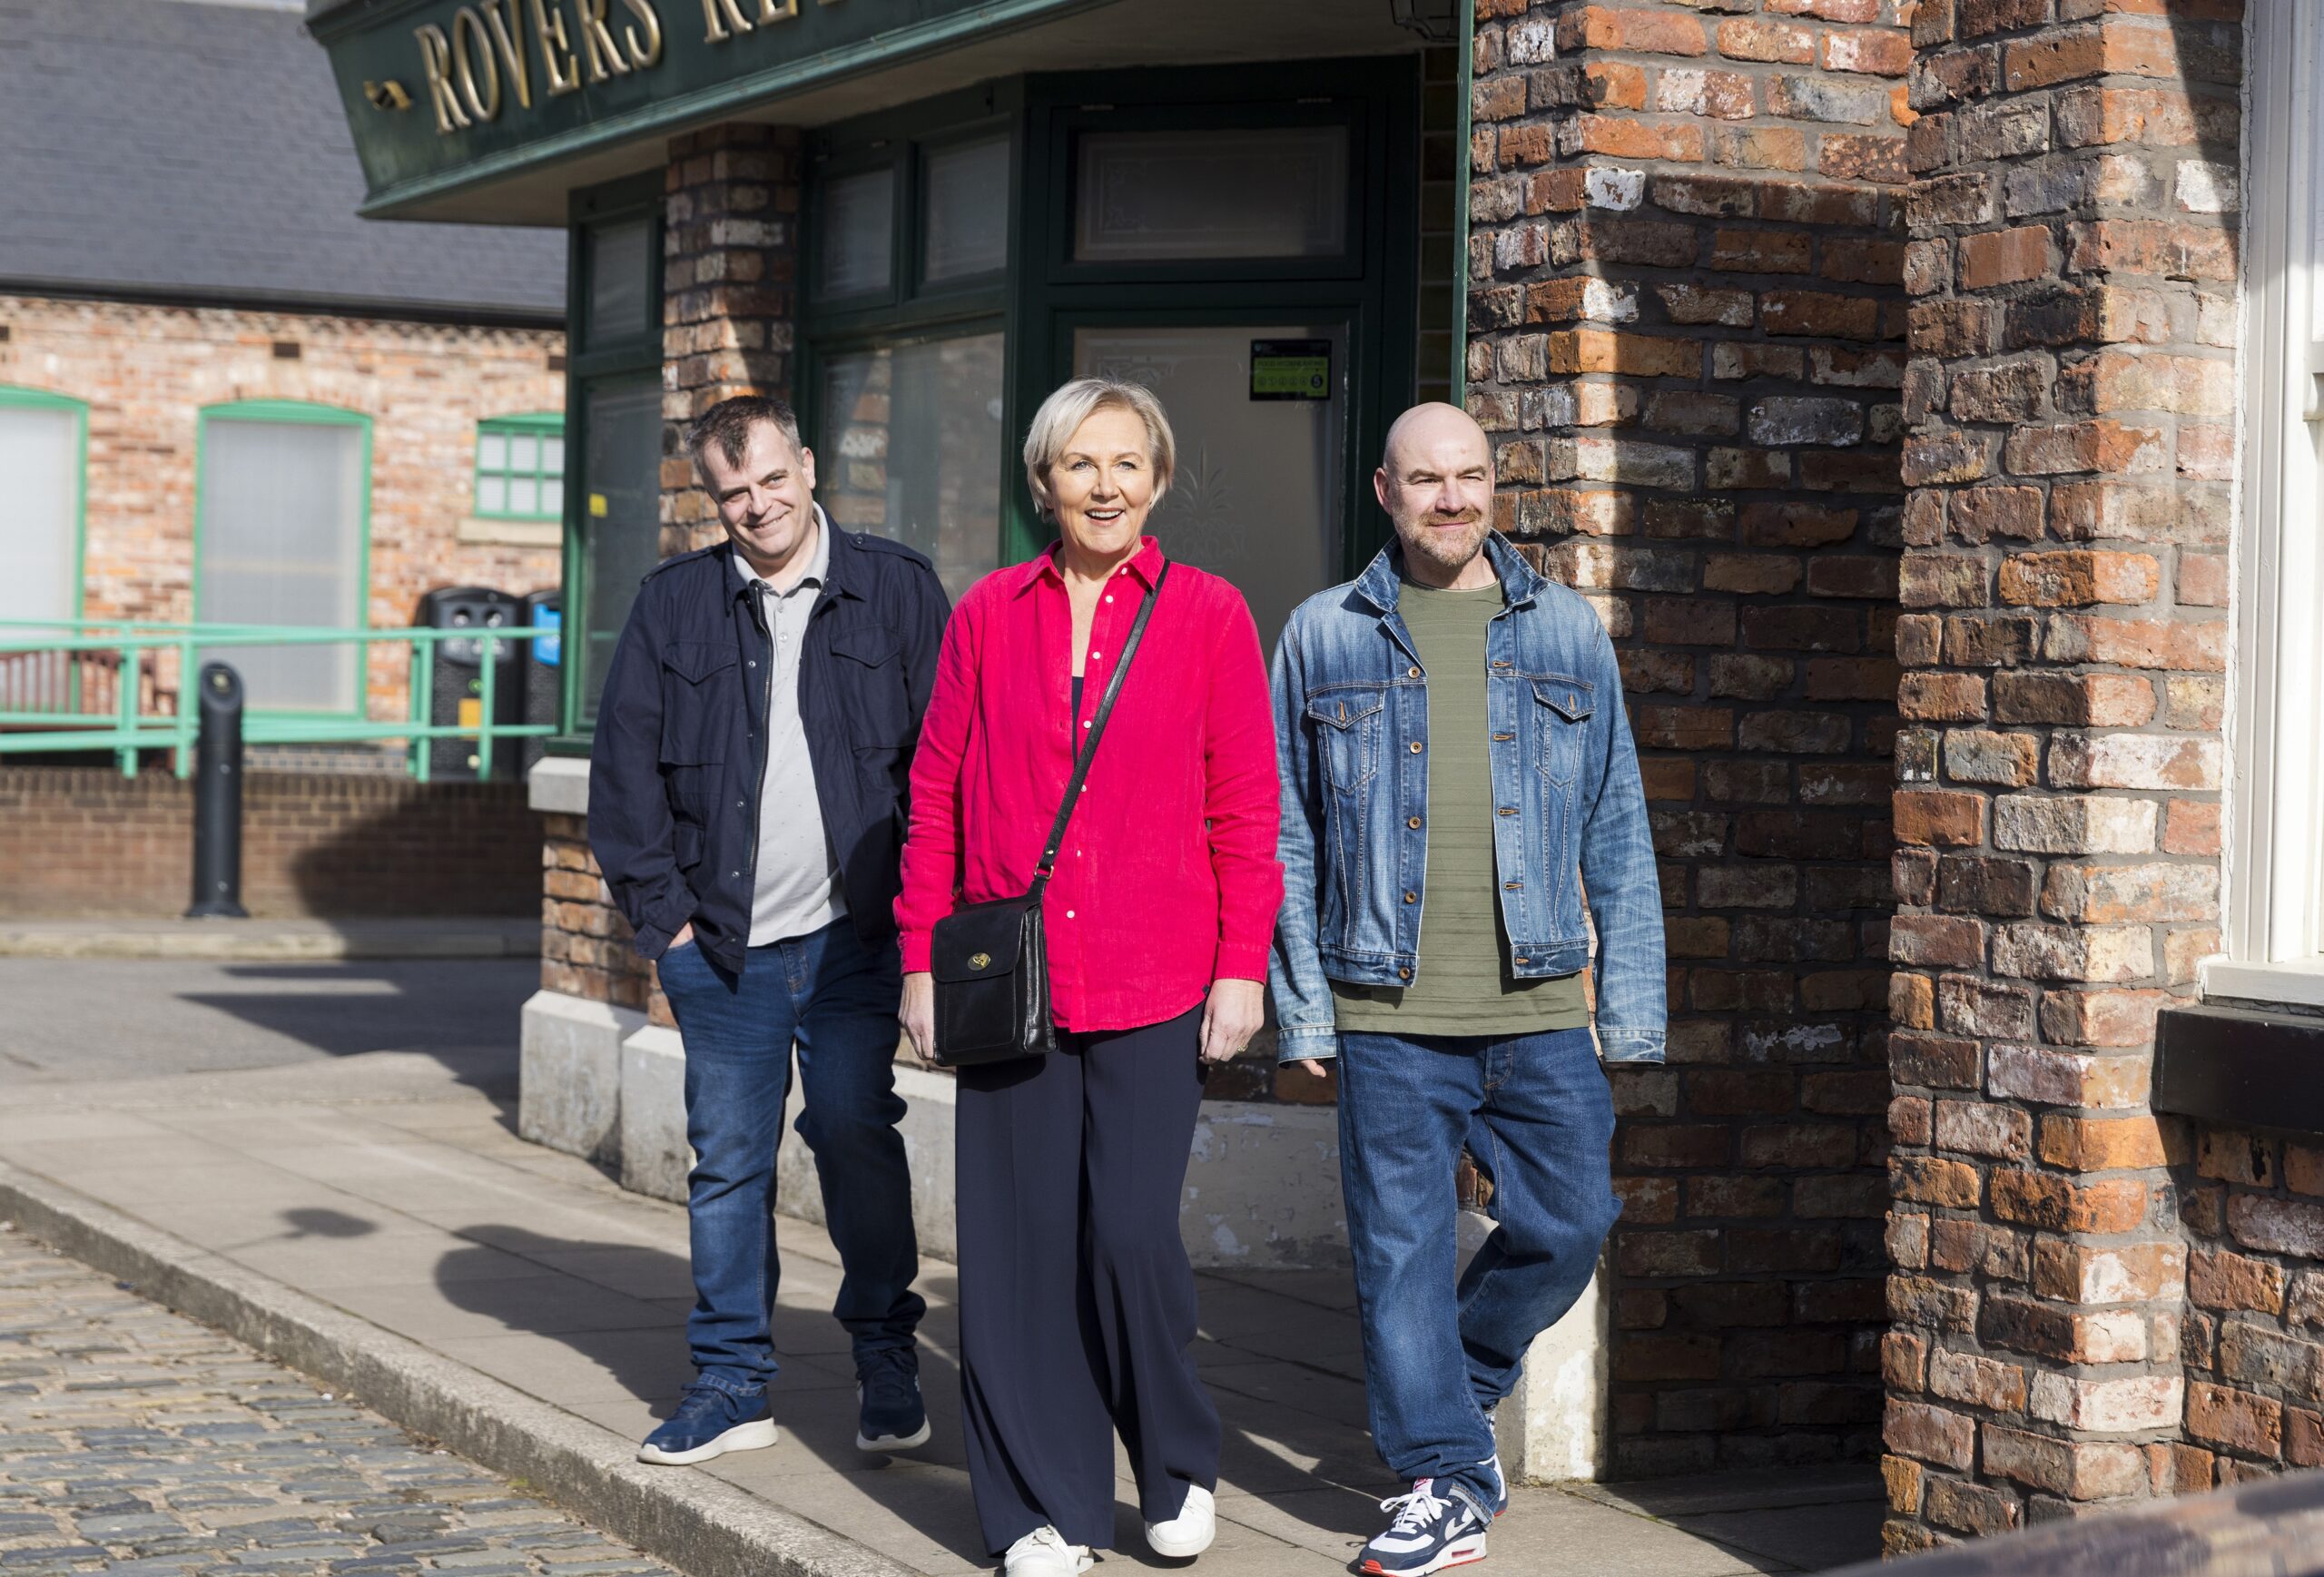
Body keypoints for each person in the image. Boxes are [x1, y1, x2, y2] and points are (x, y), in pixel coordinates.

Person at [894, 377, 1282, 1577]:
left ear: (1158, 481)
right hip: (1011, 984)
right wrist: (916, 958)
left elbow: (1245, 810)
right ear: (1044, 483)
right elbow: (934, 801)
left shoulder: (1209, 614)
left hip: (1157, 973)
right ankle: (1038, 1511)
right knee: (1011, 1254)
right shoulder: (985, 616)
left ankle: (1176, 1460)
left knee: (1126, 1235)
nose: (1105, 485)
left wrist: (1242, 969)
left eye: (1127, 464)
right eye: (1081, 464)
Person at [1269, 403, 1666, 1576]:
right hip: (1386, 1012)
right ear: (1384, 493)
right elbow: (1288, 836)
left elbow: (1618, 821)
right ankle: (1443, 1473)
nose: (1451, 498)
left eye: (1471, 477)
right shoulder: (1320, 634)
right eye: (1426, 479)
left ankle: (1461, 1382)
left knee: (1573, 1217)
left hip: (1541, 1006)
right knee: (1398, 1253)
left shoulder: (1566, 631)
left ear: (1495, 486)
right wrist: (1303, 1007)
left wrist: (1629, 1008)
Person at [588, 393, 950, 1468]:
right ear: (715, 499)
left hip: (856, 943)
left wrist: (927, 927)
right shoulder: (674, 607)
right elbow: (623, 788)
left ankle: (886, 1354)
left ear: (806, 463)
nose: (757, 506)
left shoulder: (895, 589)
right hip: (727, 953)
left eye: (771, 480)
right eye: (731, 492)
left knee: (853, 1133)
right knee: (728, 1163)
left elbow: (945, 769)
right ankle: (732, 1381)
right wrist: (670, 933)